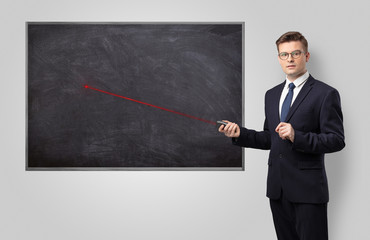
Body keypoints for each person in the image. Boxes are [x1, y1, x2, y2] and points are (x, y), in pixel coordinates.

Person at [219, 31, 345, 240]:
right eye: (284, 54)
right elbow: (270, 138)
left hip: (308, 191)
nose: (290, 59)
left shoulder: (325, 94)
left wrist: (297, 136)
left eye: (296, 53)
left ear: (306, 56)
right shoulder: (272, 94)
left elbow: (336, 140)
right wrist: (240, 133)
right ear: (278, 58)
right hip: (277, 189)